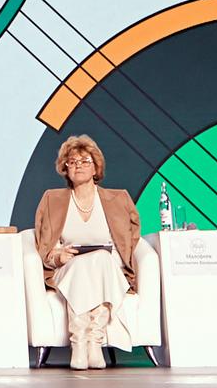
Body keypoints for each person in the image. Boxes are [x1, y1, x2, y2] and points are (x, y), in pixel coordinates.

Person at [29, 134, 140, 370]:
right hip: (68, 269)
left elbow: (130, 240)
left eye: (84, 161)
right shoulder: (52, 199)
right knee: (81, 265)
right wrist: (57, 256)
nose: (78, 166)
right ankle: (79, 343)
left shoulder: (118, 199)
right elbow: (45, 245)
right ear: (65, 169)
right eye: (72, 162)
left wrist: (113, 259)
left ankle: (94, 341)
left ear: (96, 168)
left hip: (108, 267)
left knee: (102, 259)